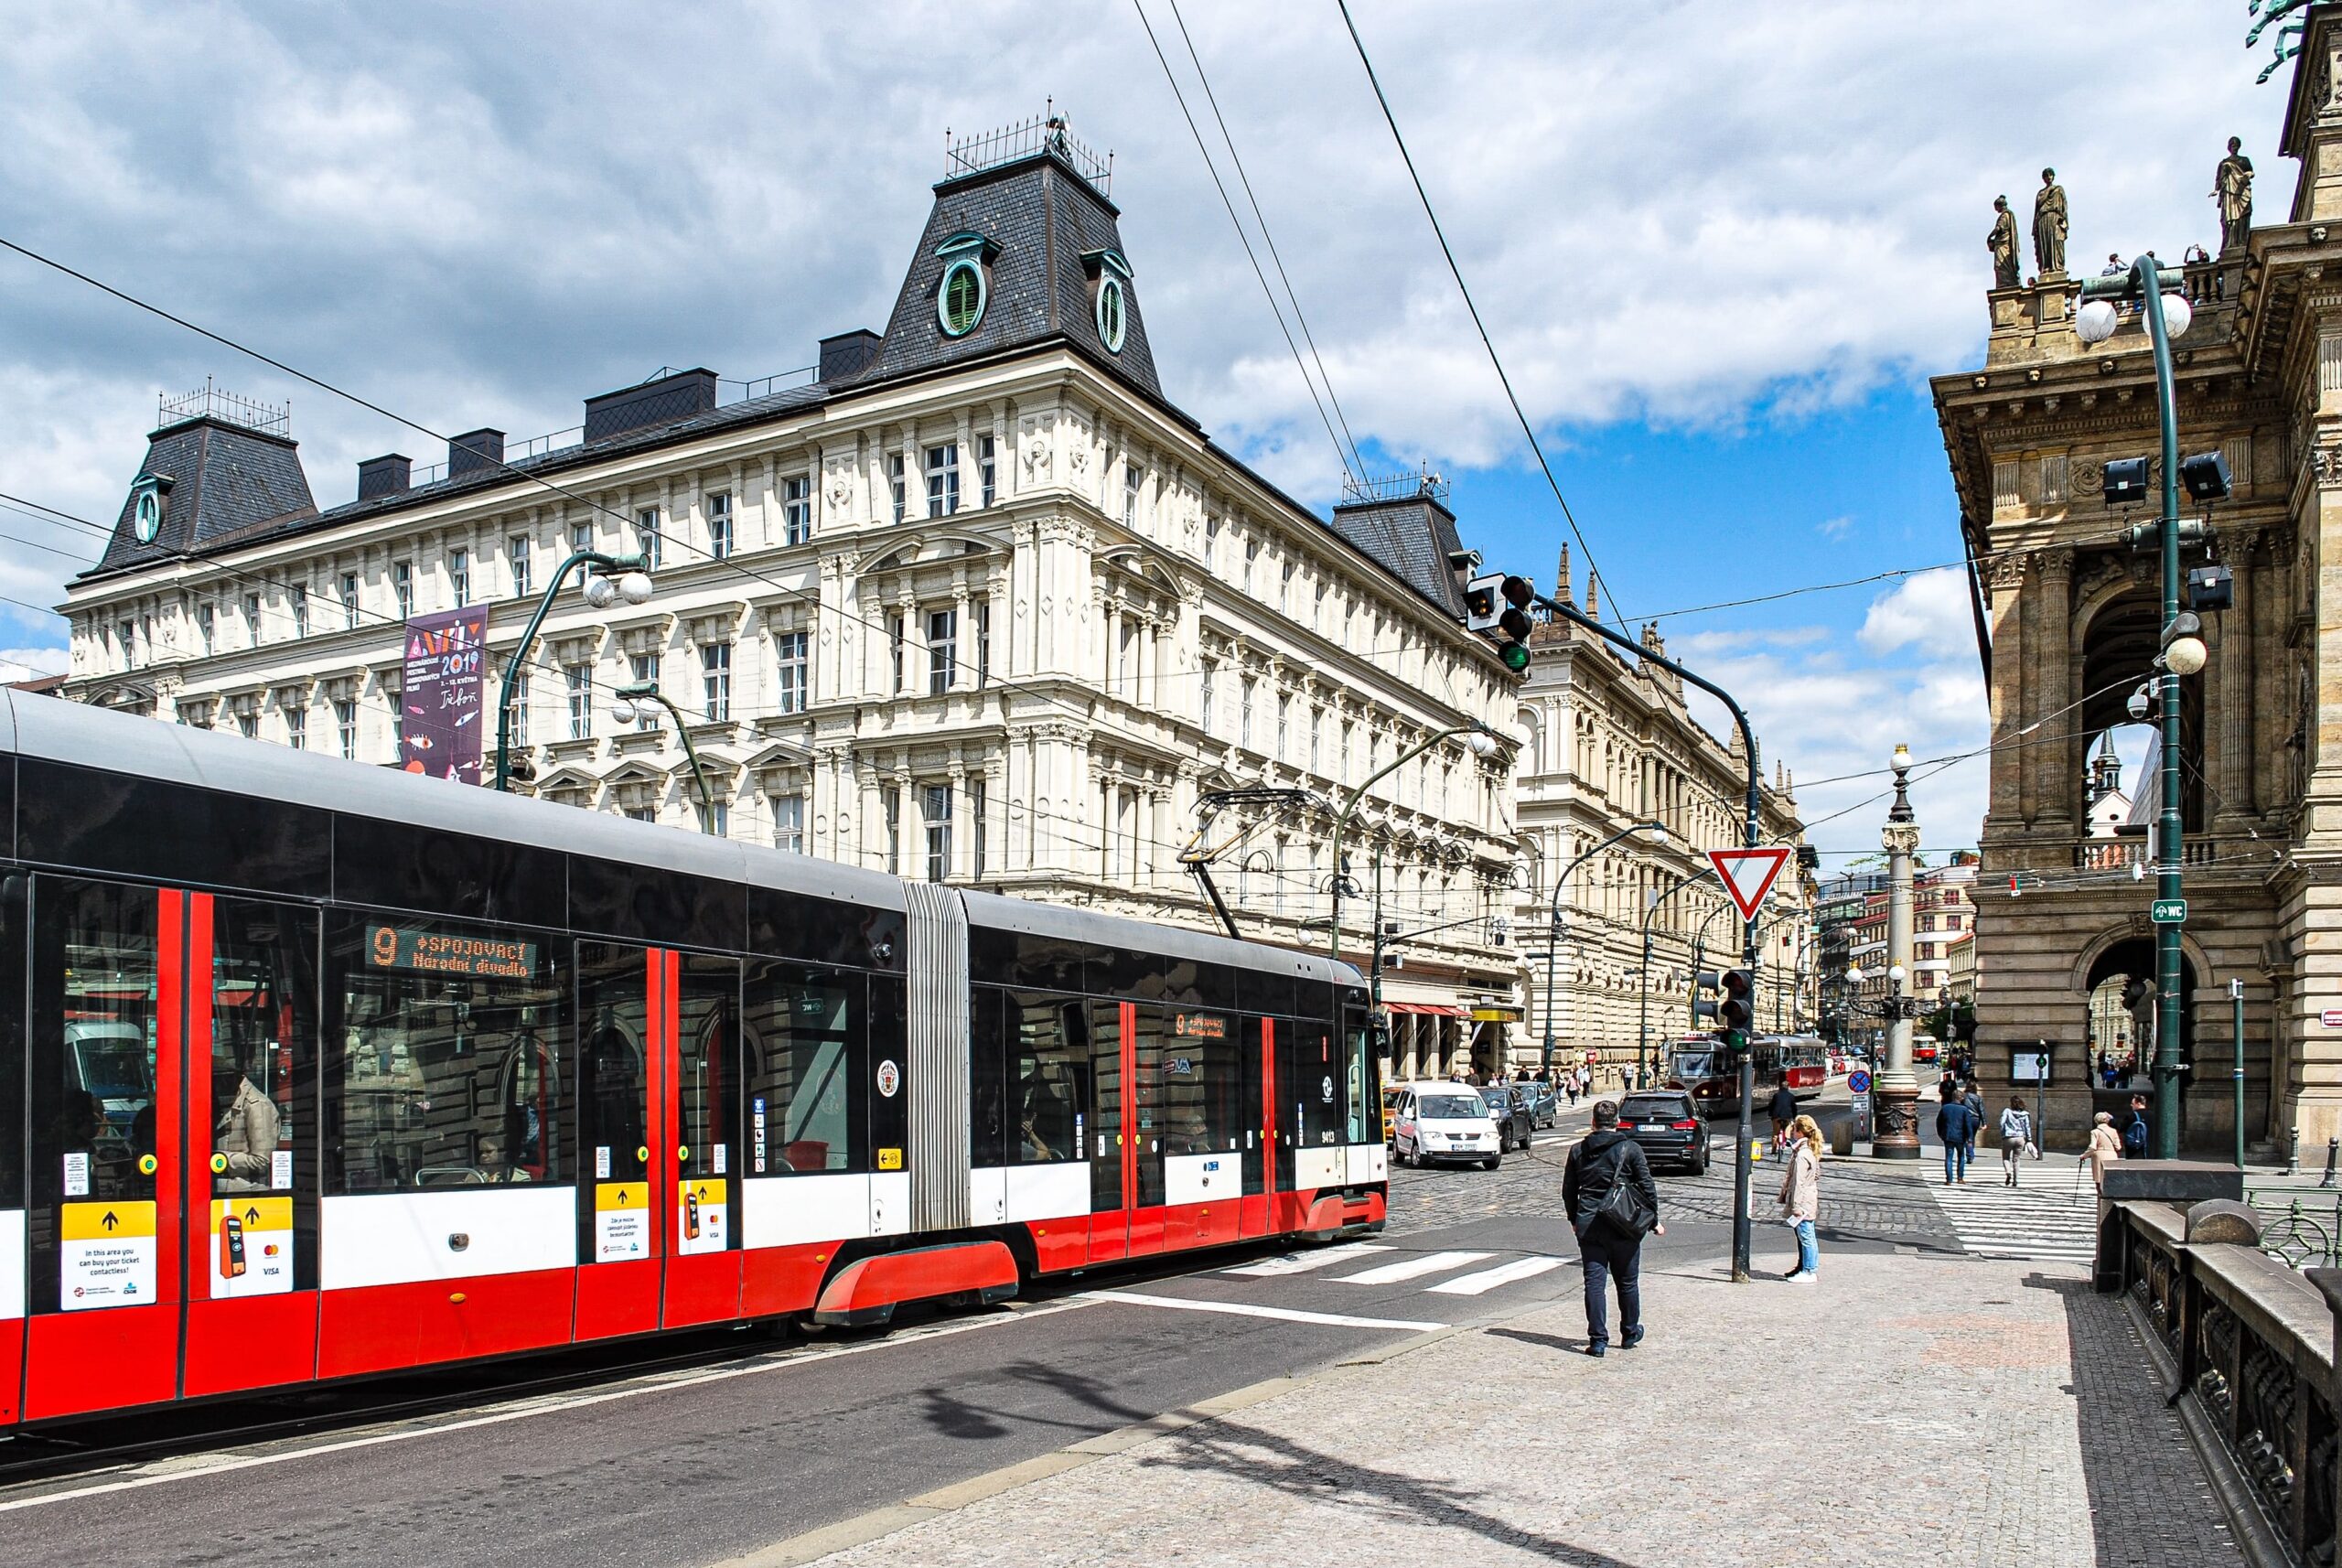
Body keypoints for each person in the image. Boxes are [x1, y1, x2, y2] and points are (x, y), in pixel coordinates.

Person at [1562, 1101, 1662, 1358]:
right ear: (1617, 1122)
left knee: (1594, 1283)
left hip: (1589, 1225)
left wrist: (1574, 1219)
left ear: (1593, 1123)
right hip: (1624, 1224)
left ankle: (1598, 1341)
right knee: (1627, 1282)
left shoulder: (1577, 1150)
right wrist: (1653, 1220)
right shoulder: (1631, 1149)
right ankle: (1629, 1332)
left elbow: (1569, 1190)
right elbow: (1647, 1187)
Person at [213, 1069, 280, 1193]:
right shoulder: (229, 1100)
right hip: (226, 1189)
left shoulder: (258, 1105)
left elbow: (262, 1160)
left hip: (246, 1193)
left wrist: (220, 1159)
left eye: (220, 1078)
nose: (217, 1084)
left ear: (234, 1077)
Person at [1778, 1112, 1822, 1282]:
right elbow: (1816, 1174)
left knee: (1806, 1236)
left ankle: (1809, 1271)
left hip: (1802, 1202)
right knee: (1804, 1235)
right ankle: (1802, 1267)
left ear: (1800, 1132)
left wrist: (1796, 1206)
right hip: (1808, 1198)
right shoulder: (1809, 1150)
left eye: (1794, 1129)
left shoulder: (1802, 1154)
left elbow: (1798, 1182)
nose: (1792, 1131)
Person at [1936, 1088, 1980, 1185]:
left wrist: (1941, 1134)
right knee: (1961, 1156)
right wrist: (1970, 1138)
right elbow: (1968, 1124)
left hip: (1948, 1136)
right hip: (1960, 1136)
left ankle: (1949, 1180)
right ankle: (1960, 1178)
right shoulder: (1964, 1109)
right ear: (1960, 1098)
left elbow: (1939, 1122)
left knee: (1949, 1157)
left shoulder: (1945, 1108)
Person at [2086, 1110, 2123, 1194]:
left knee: (2099, 1181)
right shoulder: (2113, 1131)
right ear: (2106, 1120)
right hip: (2112, 1155)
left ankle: (2100, 1198)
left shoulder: (2095, 1132)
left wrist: (2084, 1155)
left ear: (2096, 1121)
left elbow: (2092, 1147)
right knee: (2110, 1179)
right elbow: (2118, 1147)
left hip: (2099, 1156)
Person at [1998, 1096, 2033, 1187]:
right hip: (2020, 1138)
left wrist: (2003, 1133)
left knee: (2006, 1158)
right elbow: (2027, 1127)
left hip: (2008, 1137)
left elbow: (2001, 1123)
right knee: (2016, 1160)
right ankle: (2015, 1180)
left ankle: (2008, 1173)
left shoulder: (2007, 1111)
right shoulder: (2025, 1114)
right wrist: (2029, 1139)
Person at [1766, 1079, 1798, 1147]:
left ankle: (1774, 1149)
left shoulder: (1776, 1095)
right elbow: (1794, 1108)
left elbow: (1771, 1105)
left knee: (1775, 1133)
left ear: (1780, 1087)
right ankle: (1786, 1139)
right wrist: (1794, 1117)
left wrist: (1770, 1114)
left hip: (1776, 1117)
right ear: (1788, 1087)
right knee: (1787, 1128)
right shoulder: (1791, 1096)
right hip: (1787, 1117)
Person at [2122, 1093, 2152, 1160]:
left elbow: (2121, 1128)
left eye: (2132, 1104)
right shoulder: (2153, 1115)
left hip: (2134, 1150)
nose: (2131, 1105)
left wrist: (2111, 1121)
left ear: (2138, 1104)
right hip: (2150, 1150)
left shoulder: (2131, 1116)